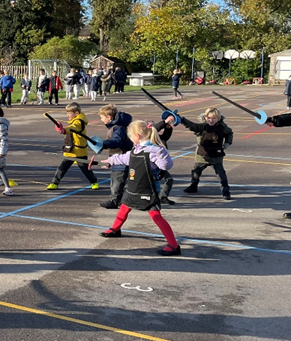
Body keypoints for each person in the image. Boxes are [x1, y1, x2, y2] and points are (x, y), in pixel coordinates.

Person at [99, 121, 181, 256]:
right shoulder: (136, 149)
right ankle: (115, 229)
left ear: (137, 135)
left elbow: (166, 166)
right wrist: (111, 161)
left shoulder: (154, 150)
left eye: (131, 136)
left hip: (148, 189)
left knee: (155, 215)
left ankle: (174, 245)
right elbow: (126, 158)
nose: (130, 139)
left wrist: (160, 151)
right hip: (133, 187)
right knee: (124, 207)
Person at [176, 107, 233, 200]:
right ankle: (193, 186)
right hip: (202, 155)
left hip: (216, 156)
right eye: (208, 118)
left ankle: (226, 192)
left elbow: (229, 133)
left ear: (218, 118)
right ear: (205, 117)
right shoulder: (202, 127)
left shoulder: (222, 127)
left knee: (221, 174)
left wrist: (227, 143)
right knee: (195, 171)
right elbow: (191, 125)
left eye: (213, 118)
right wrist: (182, 120)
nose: (211, 120)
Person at [46, 102, 100, 191]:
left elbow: (73, 128)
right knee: (62, 168)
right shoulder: (74, 120)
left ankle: (94, 182)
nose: (67, 115)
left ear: (76, 113)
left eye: (69, 113)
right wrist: (62, 129)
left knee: (85, 169)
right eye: (67, 113)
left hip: (79, 150)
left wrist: (64, 130)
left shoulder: (79, 122)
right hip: (70, 149)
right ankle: (54, 183)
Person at [96, 104, 133, 208]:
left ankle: (115, 200)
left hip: (121, 159)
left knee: (117, 182)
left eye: (102, 117)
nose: (101, 119)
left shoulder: (118, 129)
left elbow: (117, 142)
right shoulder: (116, 128)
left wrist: (104, 144)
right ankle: (120, 200)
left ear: (109, 117)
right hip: (117, 158)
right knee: (117, 181)